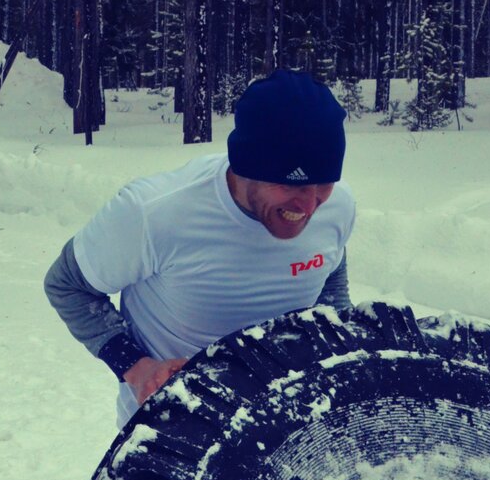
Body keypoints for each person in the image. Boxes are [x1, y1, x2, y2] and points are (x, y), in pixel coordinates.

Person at [45, 69, 356, 425]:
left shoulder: (337, 207)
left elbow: (330, 272)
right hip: (175, 432)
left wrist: (337, 340)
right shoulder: (154, 213)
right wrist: (135, 366)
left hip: (288, 430)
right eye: (291, 185)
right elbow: (66, 285)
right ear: (247, 165)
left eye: (324, 183)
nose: (310, 205)